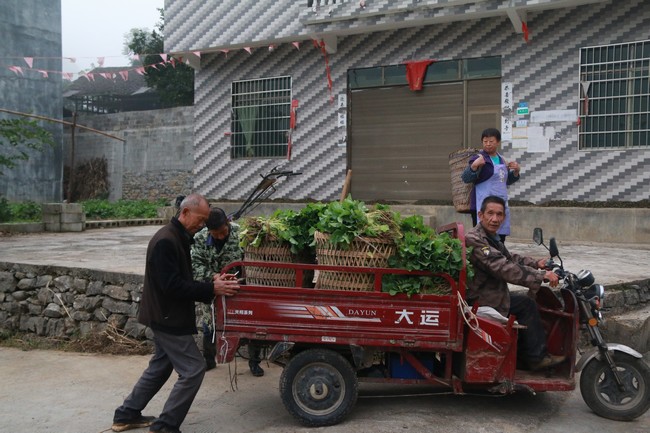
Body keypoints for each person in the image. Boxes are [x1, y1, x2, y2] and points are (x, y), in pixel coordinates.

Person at [111, 194, 239, 433]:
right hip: (167, 315)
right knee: (193, 369)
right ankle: (165, 426)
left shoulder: (179, 237)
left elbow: (181, 279)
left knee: (161, 365)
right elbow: (172, 286)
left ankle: (126, 414)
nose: (202, 225)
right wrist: (212, 288)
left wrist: (213, 280)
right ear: (185, 213)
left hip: (165, 313)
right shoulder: (166, 241)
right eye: (200, 220)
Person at [465, 195, 566, 371]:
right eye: (490, 213)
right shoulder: (475, 240)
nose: (494, 219)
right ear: (480, 215)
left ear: (504, 217)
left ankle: (522, 355)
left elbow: (510, 258)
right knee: (526, 305)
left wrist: (536, 263)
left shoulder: (490, 237)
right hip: (482, 300)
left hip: (492, 294)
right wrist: (539, 275)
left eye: (499, 214)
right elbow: (502, 267)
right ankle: (536, 358)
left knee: (525, 302)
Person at [191, 207, 265, 376]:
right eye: (215, 234)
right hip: (213, 290)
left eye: (223, 232)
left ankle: (254, 362)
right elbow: (195, 265)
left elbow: (253, 260)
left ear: (228, 223)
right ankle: (209, 360)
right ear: (209, 231)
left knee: (252, 326)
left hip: (240, 289)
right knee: (210, 325)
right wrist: (214, 277)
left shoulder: (242, 235)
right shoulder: (199, 239)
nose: (220, 236)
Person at [461, 128, 520, 242]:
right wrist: (474, 166)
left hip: (499, 205)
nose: (488, 144)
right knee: (483, 238)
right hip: (482, 204)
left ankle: (499, 257)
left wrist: (516, 171)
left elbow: (505, 181)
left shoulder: (502, 160)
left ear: (498, 142)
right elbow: (466, 178)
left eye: (491, 141)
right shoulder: (478, 158)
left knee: (500, 238)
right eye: (485, 141)